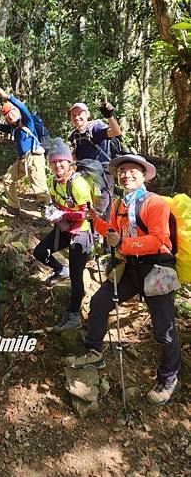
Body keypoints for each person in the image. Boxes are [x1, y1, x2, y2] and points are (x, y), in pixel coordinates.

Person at [68, 155, 181, 405]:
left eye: (132, 171)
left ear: (143, 176)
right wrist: (94, 220)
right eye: (122, 171)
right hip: (130, 267)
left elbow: (159, 239)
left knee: (164, 328)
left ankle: (169, 377)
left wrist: (124, 243)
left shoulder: (154, 204)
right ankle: (94, 351)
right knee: (99, 302)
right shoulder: (119, 203)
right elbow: (112, 232)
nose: (126, 175)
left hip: (157, 269)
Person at [33, 138, 93, 332]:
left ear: (70, 162)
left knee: (77, 279)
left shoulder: (79, 184)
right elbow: (59, 205)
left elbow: (88, 214)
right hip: (65, 228)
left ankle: (74, 315)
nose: (57, 165)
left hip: (81, 233)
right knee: (40, 252)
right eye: (53, 161)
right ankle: (60, 270)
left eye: (61, 161)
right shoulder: (54, 182)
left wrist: (63, 214)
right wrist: (53, 211)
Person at [0, 86, 50, 215]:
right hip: (22, 160)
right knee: (8, 179)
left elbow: (23, 108)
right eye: (6, 115)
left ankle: (47, 217)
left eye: (12, 112)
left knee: (40, 189)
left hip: (34, 158)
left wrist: (7, 96)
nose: (10, 116)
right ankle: (14, 207)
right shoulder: (13, 128)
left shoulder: (27, 123)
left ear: (17, 111)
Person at [68, 101, 123, 219]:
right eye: (73, 115)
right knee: (87, 205)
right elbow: (74, 158)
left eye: (79, 114)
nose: (77, 117)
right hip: (84, 174)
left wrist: (109, 117)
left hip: (103, 174)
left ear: (87, 114)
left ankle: (106, 234)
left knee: (103, 208)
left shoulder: (96, 128)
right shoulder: (73, 136)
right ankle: (91, 234)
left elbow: (115, 132)